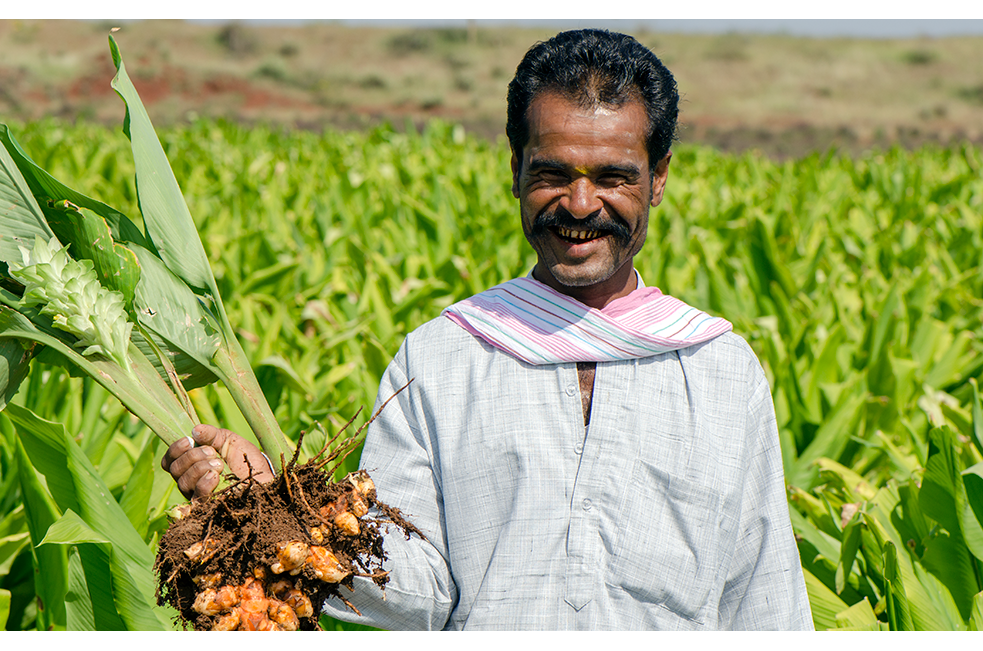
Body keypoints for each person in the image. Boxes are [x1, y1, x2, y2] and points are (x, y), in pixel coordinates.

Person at [162, 29, 813, 630]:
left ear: (659, 177)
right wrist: (268, 507)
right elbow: (408, 590)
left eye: (613, 177)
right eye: (552, 173)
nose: (581, 205)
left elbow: (763, 598)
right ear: (514, 169)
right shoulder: (444, 357)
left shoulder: (719, 369)